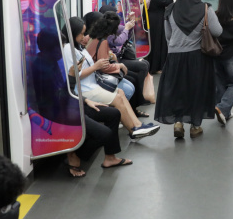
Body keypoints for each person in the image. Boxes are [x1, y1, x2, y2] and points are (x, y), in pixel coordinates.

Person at [61, 16, 160, 145]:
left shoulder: (78, 47)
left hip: (91, 85)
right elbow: (74, 75)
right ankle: (133, 130)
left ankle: (138, 125)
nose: (83, 37)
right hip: (85, 89)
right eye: (81, 34)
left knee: (121, 92)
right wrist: (96, 67)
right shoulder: (69, 50)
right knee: (118, 98)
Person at [155, 0, 222, 139]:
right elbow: (217, 31)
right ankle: (195, 126)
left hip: (174, 57)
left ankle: (178, 123)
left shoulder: (170, 9)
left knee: (178, 90)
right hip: (197, 57)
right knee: (196, 90)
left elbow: (168, 36)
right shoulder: (205, 8)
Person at [99, 4, 157, 111]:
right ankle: (140, 97)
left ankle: (140, 95)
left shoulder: (113, 28)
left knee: (145, 64)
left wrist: (130, 23)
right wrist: (126, 28)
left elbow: (127, 35)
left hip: (120, 57)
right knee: (142, 67)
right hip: (116, 60)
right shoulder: (105, 33)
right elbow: (119, 41)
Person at [145, 0, 173, 73]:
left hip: (153, 21)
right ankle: (156, 67)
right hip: (157, 22)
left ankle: (155, 66)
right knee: (158, 43)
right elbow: (169, 2)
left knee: (155, 43)